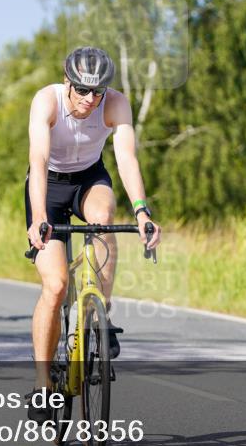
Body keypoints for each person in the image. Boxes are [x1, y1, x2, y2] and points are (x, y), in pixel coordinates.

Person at [25, 46, 162, 422]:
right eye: (82, 90)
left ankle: (102, 317)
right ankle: (42, 386)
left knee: (103, 217)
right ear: (67, 82)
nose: (89, 99)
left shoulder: (115, 103)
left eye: (97, 92)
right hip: (49, 187)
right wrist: (39, 216)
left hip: (89, 178)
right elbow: (37, 162)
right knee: (54, 286)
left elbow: (126, 158)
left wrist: (142, 211)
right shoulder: (46, 101)